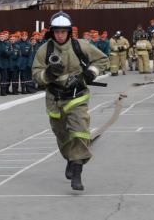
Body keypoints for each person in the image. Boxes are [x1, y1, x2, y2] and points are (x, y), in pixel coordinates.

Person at [32, 11, 109, 190]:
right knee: (62, 134)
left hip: (77, 96)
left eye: (63, 31)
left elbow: (102, 60)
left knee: (80, 131)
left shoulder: (80, 46)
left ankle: (77, 171)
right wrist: (48, 74)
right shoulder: (44, 51)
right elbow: (36, 75)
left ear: (69, 31)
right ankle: (70, 157)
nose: (60, 35)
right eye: (57, 31)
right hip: (54, 99)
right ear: (52, 32)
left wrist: (90, 73)